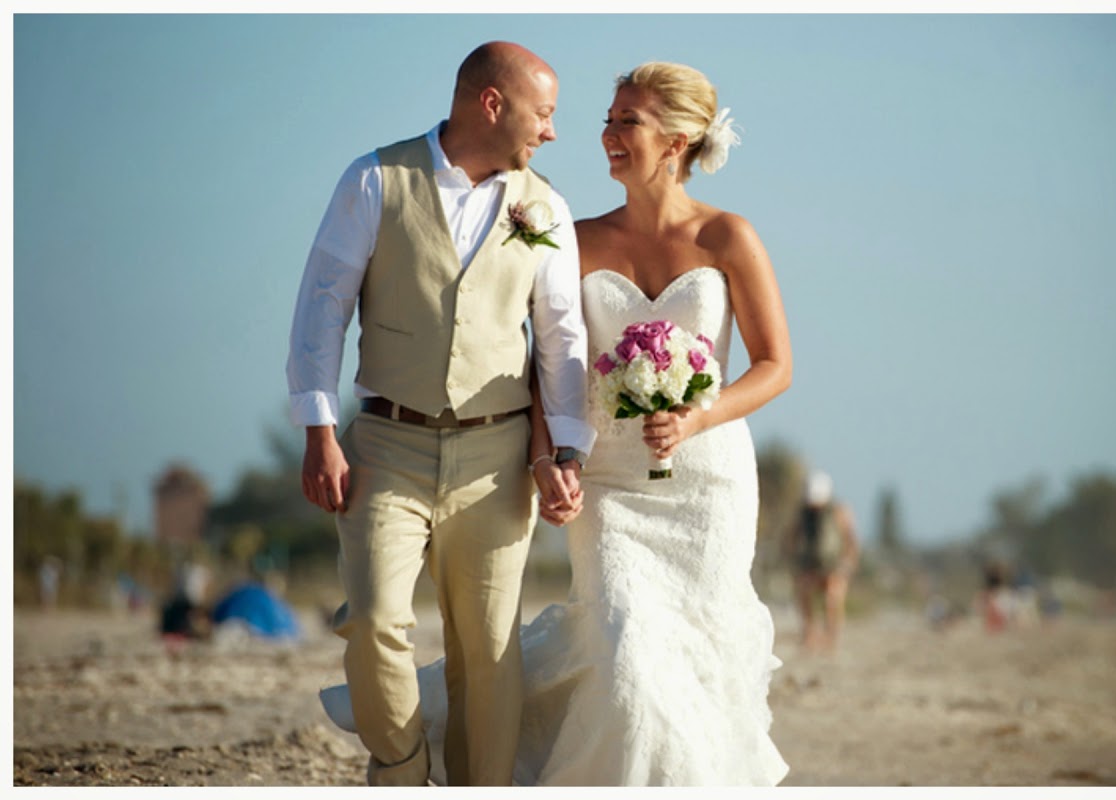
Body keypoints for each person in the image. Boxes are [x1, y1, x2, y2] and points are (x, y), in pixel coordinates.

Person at [323, 60, 790, 786]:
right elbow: (549, 361)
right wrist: (552, 458)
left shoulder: (729, 238)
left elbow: (774, 366)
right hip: (608, 484)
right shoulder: (575, 233)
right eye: (609, 118)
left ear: (677, 141)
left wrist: (701, 415)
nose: (604, 134)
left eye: (625, 121)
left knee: (696, 661)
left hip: (706, 485)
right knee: (624, 647)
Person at [291, 42, 594, 786]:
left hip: (497, 458)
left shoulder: (544, 205)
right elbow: (321, 310)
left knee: (489, 652)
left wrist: (567, 455)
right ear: (492, 105)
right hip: (386, 444)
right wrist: (320, 431)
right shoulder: (374, 179)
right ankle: (399, 766)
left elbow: (562, 340)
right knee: (372, 621)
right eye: (544, 113)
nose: (552, 132)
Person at [784, 470, 861, 653]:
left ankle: (831, 639)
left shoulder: (839, 512)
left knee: (832, 598)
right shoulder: (803, 514)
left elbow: (851, 541)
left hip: (834, 565)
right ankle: (809, 634)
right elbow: (791, 538)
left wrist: (848, 564)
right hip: (810, 565)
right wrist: (793, 562)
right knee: (803, 592)